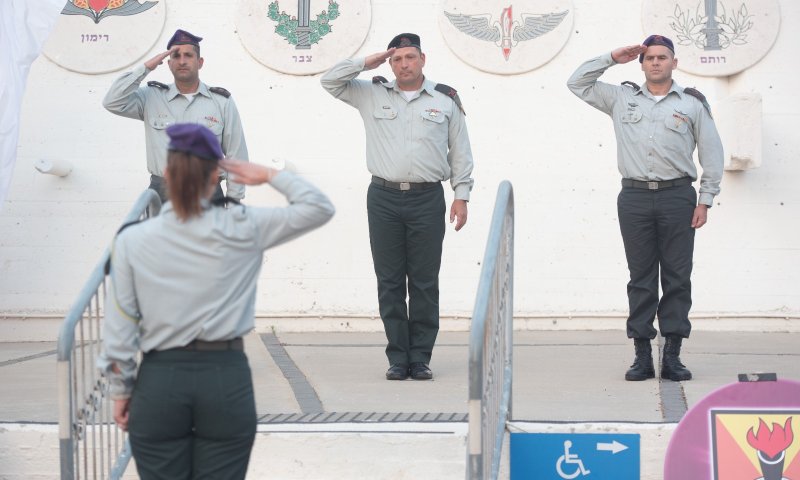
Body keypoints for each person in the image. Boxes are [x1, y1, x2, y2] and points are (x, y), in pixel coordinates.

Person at [97, 123, 334, 479]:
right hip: (224, 377)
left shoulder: (132, 240)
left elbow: (120, 328)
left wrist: (121, 389)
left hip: (160, 380)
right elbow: (318, 208)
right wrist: (270, 175)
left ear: (165, 174)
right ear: (216, 177)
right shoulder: (244, 224)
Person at [567, 35, 724, 382]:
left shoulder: (693, 103)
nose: (655, 62)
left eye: (662, 57)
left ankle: (672, 356)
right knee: (641, 280)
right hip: (635, 198)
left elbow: (712, 155)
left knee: (677, 278)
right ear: (641, 63)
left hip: (678, 197)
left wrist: (705, 200)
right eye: (650, 57)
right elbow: (576, 82)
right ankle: (641, 355)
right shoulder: (621, 98)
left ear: (674, 62)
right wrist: (611, 55)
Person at [321, 33, 474, 381]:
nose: (404, 64)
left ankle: (420, 357)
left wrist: (461, 195)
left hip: (427, 198)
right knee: (389, 282)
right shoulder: (370, 92)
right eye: (397, 59)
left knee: (423, 282)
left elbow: (460, 151)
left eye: (410, 57)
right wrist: (364, 62)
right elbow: (329, 80)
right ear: (389, 63)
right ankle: (397, 356)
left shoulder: (445, 99)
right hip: (384, 199)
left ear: (423, 58)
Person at [103, 29, 249, 203]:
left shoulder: (222, 101)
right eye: (175, 56)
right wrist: (146, 67)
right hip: (163, 193)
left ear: (200, 62)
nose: (182, 61)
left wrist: (233, 203)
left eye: (188, 55)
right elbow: (112, 101)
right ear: (168, 63)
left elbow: (236, 155)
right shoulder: (151, 97)